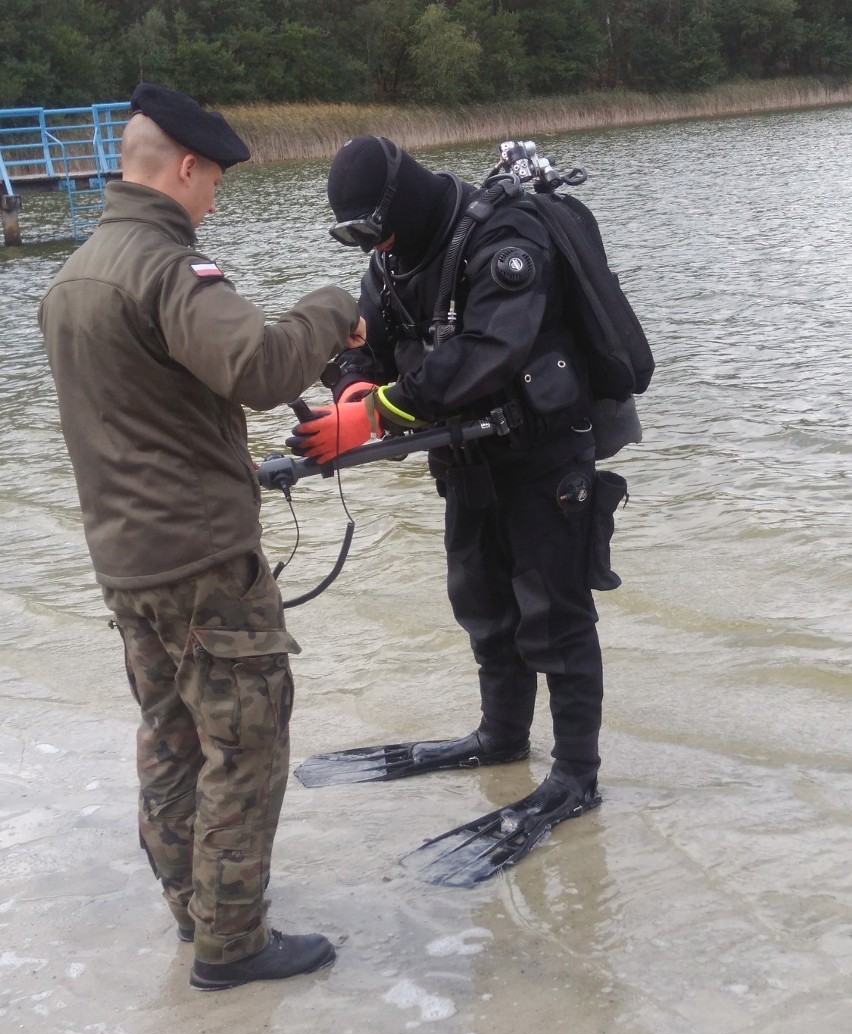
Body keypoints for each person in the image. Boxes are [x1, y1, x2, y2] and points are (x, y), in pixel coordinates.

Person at [38, 84, 365, 988]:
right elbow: (258, 368)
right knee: (245, 747)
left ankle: (192, 911)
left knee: (170, 738)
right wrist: (335, 307)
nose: (215, 198)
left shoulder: (72, 278)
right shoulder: (168, 269)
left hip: (125, 560)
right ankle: (233, 944)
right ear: (184, 167)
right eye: (214, 180)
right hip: (202, 563)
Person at [290, 135, 641, 883]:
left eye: (372, 229)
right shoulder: (392, 259)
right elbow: (370, 343)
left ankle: (577, 774)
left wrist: (380, 410)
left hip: (547, 454)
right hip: (468, 457)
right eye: (357, 237)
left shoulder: (505, 236)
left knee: (555, 615)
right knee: (482, 600)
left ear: (401, 206)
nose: (371, 245)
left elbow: (493, 347)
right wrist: (355, 386)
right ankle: (502, 737)